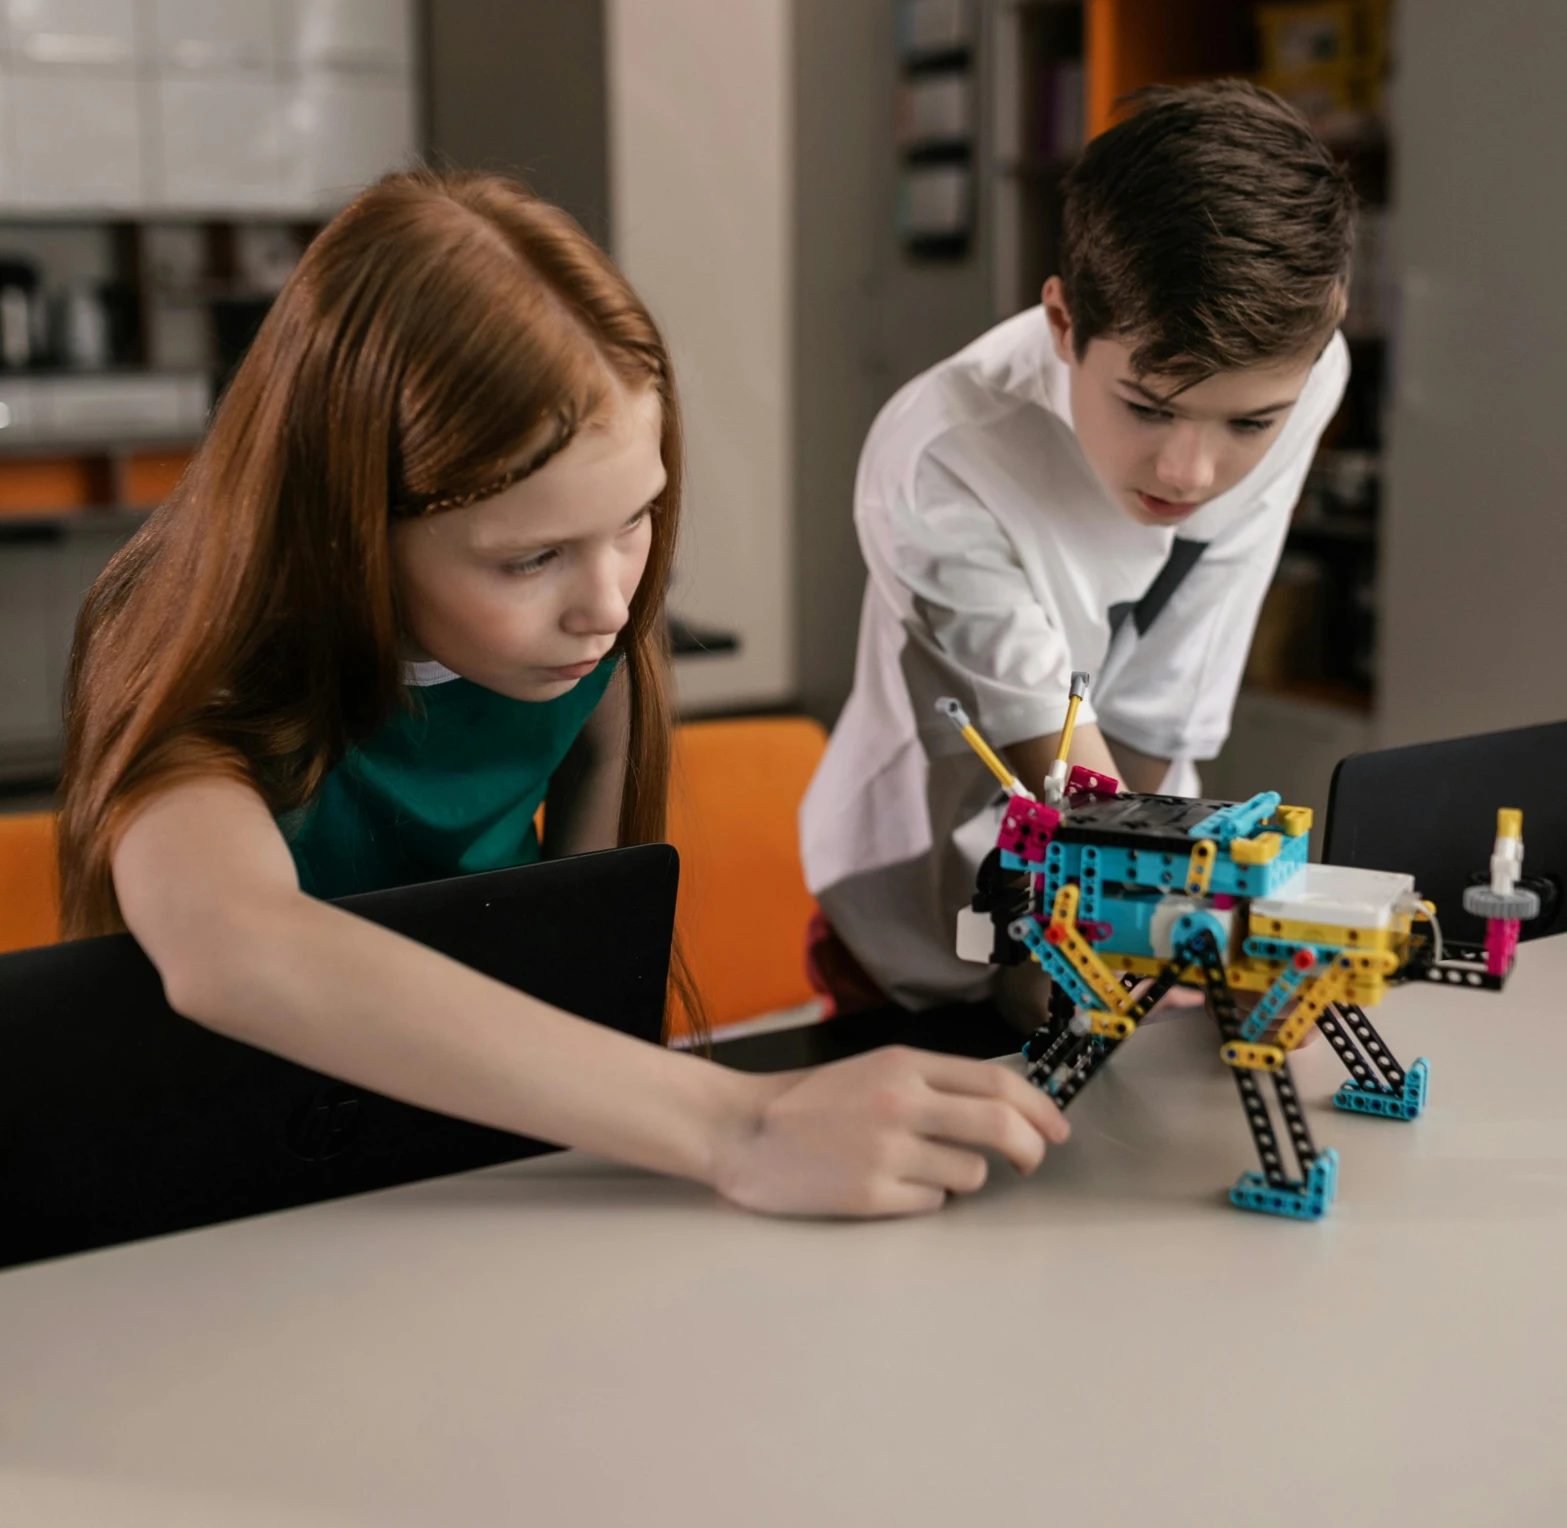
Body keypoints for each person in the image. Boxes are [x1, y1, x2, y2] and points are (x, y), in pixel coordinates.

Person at [57, 169, 1064, 1220]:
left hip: (485, 1168)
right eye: (529, 556)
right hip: (234, 1184)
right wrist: (741, 1125)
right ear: (349, 521)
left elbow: (586, 955)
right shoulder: (191, 653)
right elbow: (232, 947)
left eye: (635, 521)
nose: (609, 603)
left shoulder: (590, 642)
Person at [801, 82, 1355, 1017]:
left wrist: (1162, 924)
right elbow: (1067, 782)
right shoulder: (942, 461)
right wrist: (1164, 927)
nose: (1191, 469)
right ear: (1063, 323)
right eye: (1146, 407)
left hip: (1124, 885)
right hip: (921, 921)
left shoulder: (1307, 377)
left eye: (1249, 422)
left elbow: (1174, 683)